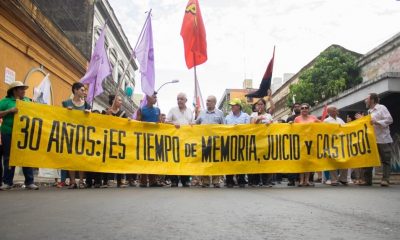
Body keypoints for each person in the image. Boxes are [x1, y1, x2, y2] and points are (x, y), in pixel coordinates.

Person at [0, 81, 39, 190]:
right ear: (14, 90)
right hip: (8, 132)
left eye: (24, 89)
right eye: (21, 89)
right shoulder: (5, 102)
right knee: (8, 157)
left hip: (24, 133)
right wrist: (9, 111)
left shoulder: (27, 101)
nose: (24, 91)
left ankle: (29, 182)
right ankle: (7, 182)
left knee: (26, 156)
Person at [356, 93, 393, 187]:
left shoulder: (381, 108)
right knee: (369, 160)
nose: (365, 101)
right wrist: (362, 120)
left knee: (385, 160)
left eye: (366, 99)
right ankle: (367, 180)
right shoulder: (369, 111)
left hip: (383, 139)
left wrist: (376, 122)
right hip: (371, 140)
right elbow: (368, 124)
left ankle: (385, 180)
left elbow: (389, 120)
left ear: (372, 100)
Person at [62, 82, 91, 189]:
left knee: (81, 158)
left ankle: (82, 181)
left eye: (84, 90)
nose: (84, 92)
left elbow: (91, 121)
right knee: (71, 158)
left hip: (82, 135)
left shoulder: (87, 105)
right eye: (82, 90)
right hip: (70, 135)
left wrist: (89, 114)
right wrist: (66, 112)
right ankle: (73, 181)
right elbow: (60, 117)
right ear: (75, 90)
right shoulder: (66, 103)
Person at [195, 95, 224, 188]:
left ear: (214, 103)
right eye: (206, 101)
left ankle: (216, 181)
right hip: (204, 142)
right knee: (205, 161)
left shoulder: (220, 113)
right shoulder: (202, 113)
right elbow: (196, 123)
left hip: (216, 141)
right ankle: (206, 181)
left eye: (209, 101)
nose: (207, 102)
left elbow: (224, 126)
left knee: (216, 161)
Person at [136, 92, 163, 187]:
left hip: (155, 138)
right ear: (148, 98)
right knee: (144, 159)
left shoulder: (158, 110)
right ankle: (143, 181)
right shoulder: (141, 110)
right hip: (144, 138)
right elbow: (137, 123)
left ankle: (153, 180)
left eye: (156, 97)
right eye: (154, 97)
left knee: (154, 159)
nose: (156, 98)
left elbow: (160, 123)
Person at [166, 93, 193, 187]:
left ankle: (185, 180)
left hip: (186, 140)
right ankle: (174, 180)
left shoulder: (190, 111)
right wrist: (173, 124)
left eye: (181, 99)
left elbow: (192, 123)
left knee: (185, 160)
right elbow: (166, 122)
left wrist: (192, 125)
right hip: (175, 140)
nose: (179, 101)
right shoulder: (172, 110)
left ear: (186, 100)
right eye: (178, 99)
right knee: (174, 159)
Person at [224, 98, 250, 188]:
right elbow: (223, 129)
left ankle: (241, 179)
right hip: (230, 143)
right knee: (229, 162)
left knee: (241, 161)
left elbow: (248, 128)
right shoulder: (227, 117)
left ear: (238, 106)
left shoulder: (246, 116)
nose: (232, 107)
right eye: (231, 105)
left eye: (233, 105)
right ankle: (229, 180)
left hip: (242, 143)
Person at [294, 103, 320, 187]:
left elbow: (322, 125)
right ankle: (301, 180)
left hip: (311, 142)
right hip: (301, 142)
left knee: (308, 161)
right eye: (302, 108)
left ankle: (307, 180)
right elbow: (293, 130)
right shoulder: (297, 119)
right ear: (300, 110)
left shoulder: (313, 118)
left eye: (306, 108)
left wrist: (319, 122)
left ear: (309, 109)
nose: (304, 109)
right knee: (302, 162)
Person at [250, 98, 274, 187]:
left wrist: (269, 124)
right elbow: (252, 125)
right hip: (256, 140)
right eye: (258, 104)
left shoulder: (268, 115)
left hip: (266, 140)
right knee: (256, 160)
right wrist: (258, 119)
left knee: (266, 160)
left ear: (264, 105)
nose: (260, 106)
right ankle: (255, 181)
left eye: (261, 104)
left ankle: (266, 181)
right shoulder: (253, 114)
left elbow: (272, 126)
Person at [323, 105, 348, 186]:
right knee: (333, 162)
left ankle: (343, 179)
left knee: (344, 161)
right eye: (334, 109)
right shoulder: (326, 121)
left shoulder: (340, 120)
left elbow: (346, 129)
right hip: (331, 143)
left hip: (341, 143)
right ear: (329, 112)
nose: (336, 110)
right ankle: (334, 179)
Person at [286, 103, 301, 186]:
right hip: (292, 142)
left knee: (300, 162)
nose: (297, 108)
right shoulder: (289, 118)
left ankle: (300, 179)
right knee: (291, 162)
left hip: (301, 143)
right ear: (293, 108)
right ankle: (291, 180)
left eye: (298, 106)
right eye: (295, 107)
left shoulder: (304, 117)